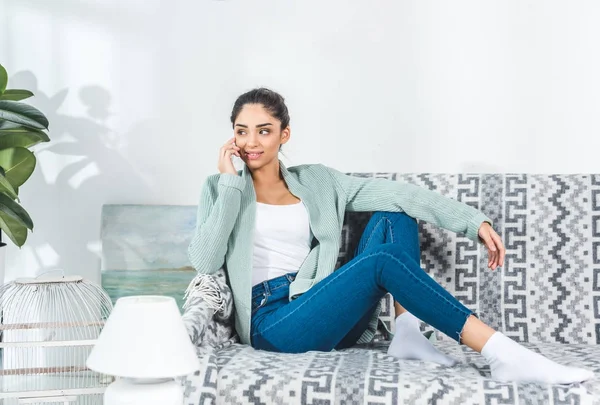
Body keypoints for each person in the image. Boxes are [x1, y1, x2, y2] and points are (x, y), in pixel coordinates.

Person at [188, 88, 594, 385]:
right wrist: (229, 187)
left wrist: (474, 222)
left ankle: (407, 333)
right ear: (232, 137)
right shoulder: (220, 187)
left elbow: (402, 194)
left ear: (284, 135)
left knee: (395, 212)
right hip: (273, 323)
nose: (251, 142)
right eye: (242, 132)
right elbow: (205, 262)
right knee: (381, 261)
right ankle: (502, 352)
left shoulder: (317, 181)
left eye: (263, 131)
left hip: (318, 305)